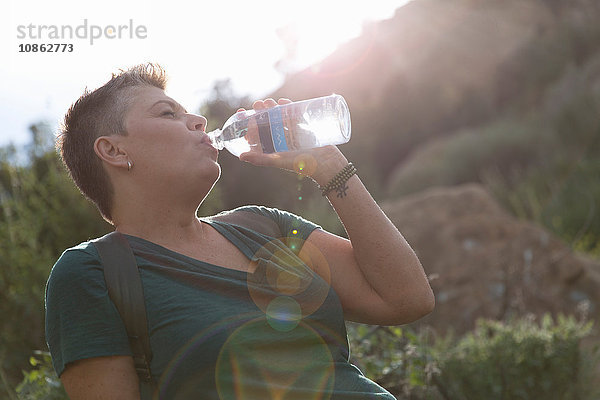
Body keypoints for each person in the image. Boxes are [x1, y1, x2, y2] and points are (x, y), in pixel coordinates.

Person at [45, 63, 434, 399]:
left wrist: (328, 167)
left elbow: (407, 298)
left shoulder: (264, 226)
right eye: (166, 114)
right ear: (114, 151)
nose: (197, 121)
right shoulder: (91, 273)